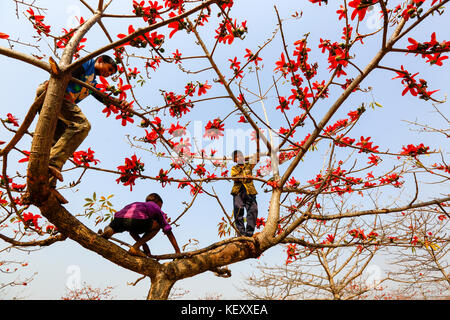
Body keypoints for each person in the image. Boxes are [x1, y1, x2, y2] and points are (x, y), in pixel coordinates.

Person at [34, 55, 124, 203]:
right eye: (109, 69)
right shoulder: (87, 63)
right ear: (100, 60)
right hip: (54, 93)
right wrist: (58, 87)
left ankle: (48, 184)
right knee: (82, 125)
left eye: (111, 74)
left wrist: (118, 103)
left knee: (57, 141)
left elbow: (102, 97)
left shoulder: (92, 82)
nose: (108, 74)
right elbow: (71, 72)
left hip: (59, 102)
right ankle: (52, 163)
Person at [100, 193, 181, 257]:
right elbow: (168, 230)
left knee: (112, 227)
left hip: (120, 218)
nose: (160, 208)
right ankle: (135, 248)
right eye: (160, 206)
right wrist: (177, 251)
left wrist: (144, 244)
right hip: (137, 220)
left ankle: (109, 230)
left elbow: (132, 232)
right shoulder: (155, 207)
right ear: (157, 201)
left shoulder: (137, 204)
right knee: (158, 225)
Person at [230, 140, 260, 237]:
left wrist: (258, 142)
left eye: (240, 156)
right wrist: (245, 177)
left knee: (253, 210)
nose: (239, 158)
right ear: (234, 160)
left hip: (250, 191)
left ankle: (249, 234)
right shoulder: (234, 168)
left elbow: (257, 157)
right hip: (238, 192)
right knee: (238, 211)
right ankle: (241, 234)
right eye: (237, 157)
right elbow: (234, 177)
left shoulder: (248, 166)